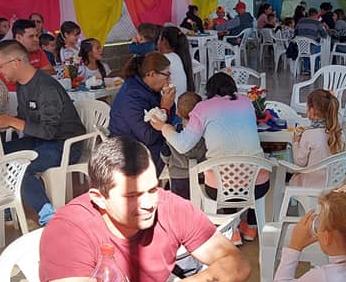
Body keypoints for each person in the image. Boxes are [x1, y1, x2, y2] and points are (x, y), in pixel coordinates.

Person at [37, 134, 250, 282]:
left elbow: (237, 265)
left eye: (152, 189)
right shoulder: (68, 231)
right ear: (99, 198)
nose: (148, 203)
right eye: (132, 196)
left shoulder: (171, 207)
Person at [0, 40, 86, 226]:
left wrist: (11, 121)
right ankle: (4, 208)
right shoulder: (22, 83)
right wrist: (2, 121)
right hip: (37, 140)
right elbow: (25, 118)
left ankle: (49, 217)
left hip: (63, 144)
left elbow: (49, 131)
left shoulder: (46, 87)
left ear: (16, 62)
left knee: (19, 167)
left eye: (0, 66)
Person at [151, 72, 266, 244]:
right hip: (258, 185)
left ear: (210, 91)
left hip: (221, 187)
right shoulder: (246, 102)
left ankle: (230, 229)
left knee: (220, 169)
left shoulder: (203, 108)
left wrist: (164, 127)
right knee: (243, 163)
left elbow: (183, 145)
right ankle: (251, 227)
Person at [108, 52, 176, 176]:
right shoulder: (132, 96)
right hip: (131, 150)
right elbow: (148, 136)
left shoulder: (147, 88)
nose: (169, 80)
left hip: (143, 141)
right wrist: (164, 108)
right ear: (151, 74)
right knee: (181, 154)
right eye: (166, 76)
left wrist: (168, 104)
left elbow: (168, 120)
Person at [290, 89, 343, 189]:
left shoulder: (309, 134)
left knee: (292, 178)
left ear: (312, 110)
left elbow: (300, 162)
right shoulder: (338, 132)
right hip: (334, 184)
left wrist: (296, 141)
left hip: (311, 185)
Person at [162, 92, 207, 201]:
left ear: (178, 112)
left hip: (178, 175)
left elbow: (165, 153)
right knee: (201, 204)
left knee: (180, 205)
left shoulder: (172, 131)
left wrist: (167, 161)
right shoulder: (204, 131)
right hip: (200, 174)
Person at [0, 19, 53, 91]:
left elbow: (51, 71)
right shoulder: (5, 56)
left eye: (37, 35)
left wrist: (28, 73)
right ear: (18, 38)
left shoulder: (37, 51)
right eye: (31, 36)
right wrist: (37, 73)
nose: (36, 40)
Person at [157, 25, 193, 99]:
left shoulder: (165, 59)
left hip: (171, 104)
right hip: (180, 102)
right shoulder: (177, 57)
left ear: (164, 40)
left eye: (159, 39)